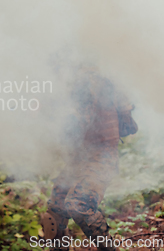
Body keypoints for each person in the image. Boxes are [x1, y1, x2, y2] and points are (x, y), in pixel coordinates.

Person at [40, 66, 138, 251]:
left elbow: (129, 127)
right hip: (79, 157)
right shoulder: (71, 83)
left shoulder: (98, 82)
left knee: (79, 204)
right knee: (54, 213)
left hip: (102, 157)